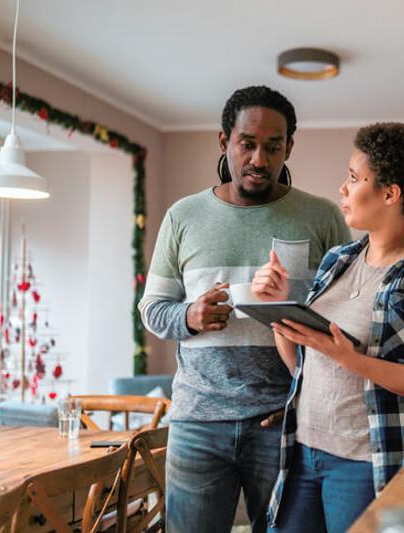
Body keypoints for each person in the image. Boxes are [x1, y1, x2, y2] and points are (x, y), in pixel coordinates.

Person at [138, 86, 351, 533]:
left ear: (289, 147)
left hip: (285, 421)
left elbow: (350, 314)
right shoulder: (184, 216)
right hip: (198, 421)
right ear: (224, 142)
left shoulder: (322, 217)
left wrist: (293, 306)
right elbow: (152, 309)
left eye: (273, 147)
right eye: (247, 144)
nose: (259, 158)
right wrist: (189, 317)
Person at [252, 123, 404, 533]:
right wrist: (277, 312)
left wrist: (352, 360)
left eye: (354, 178)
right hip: (302, 451)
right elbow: (301, 365)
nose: (343, 188)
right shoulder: (338, 258)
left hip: (367, 462)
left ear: (390, 194)